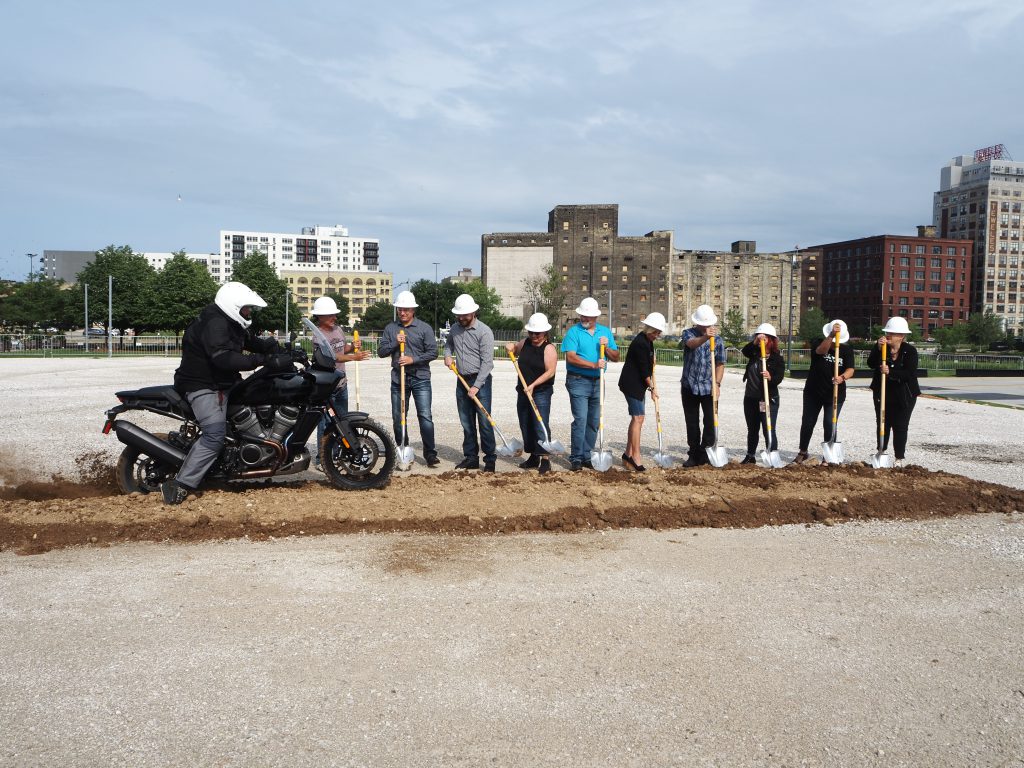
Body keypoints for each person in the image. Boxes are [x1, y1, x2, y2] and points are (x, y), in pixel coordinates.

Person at [162, 281, 287, 505]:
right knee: (214, 434)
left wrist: (274, 348)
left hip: (222, 382)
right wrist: (262, 360)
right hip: (203, 385)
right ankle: (181, 485)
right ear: (233, 305)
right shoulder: (215, 323)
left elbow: (250, 342)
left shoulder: (230, 322)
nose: (248, 312)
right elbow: (223, 357)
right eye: (246, 308)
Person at [378, 290, 439, 468]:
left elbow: (433, 352)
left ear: (413, 310)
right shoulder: (391, 329)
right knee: (398, 417)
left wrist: (413, 359)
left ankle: (430, 454)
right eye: (399, 309)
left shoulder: (424, 328)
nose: (402, 313)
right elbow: (382, 352)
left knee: (425, 416)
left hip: (420, 378)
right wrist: (395, 343)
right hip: (399, 379)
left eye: (406, 310)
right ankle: (402, 448)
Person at [561, 297, 620, 471]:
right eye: (583, 316)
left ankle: (587, 455)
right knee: (580, 419)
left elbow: (616, 357)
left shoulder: (605, 332)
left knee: (593, 421)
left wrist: (607, 347)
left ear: (596, 317)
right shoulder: (573, 332)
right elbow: (571, 357)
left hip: (598, 381)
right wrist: (593, 365)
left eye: (588, 317)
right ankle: (577, 457)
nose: (585, 319)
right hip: (578, 380)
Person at [310, 296, 369, 470]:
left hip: (341, 384)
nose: (334, 318)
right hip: (327, 387)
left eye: (334, 314)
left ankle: (337, 454)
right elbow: (331, 357)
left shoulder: (338, 330)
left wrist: (352, 346)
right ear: (320, 317)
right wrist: (353, 357)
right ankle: (322, 459)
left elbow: (342, 350)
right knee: (325, 424)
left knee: (342, 422)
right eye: (330, 315)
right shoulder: (318, 336)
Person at [445, 293, 497, 471]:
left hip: (480, 382)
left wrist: (476, 386)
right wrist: (447, 356)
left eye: (465, 315)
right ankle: (471, 457)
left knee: (484, 421)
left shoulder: (484, 332)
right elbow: (448, 345)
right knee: (466, 422)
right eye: (459, 315)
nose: (461, 318)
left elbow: (487, 363)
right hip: (461, 379)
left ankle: (490, 460)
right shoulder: (454, 328)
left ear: (474, 313)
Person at [794, 319, 855, 463]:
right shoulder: (819, 342)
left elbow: (851, 369)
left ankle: (828, 456)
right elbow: (820, 351)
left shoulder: (846, 350)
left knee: (829, 422)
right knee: (808, 422)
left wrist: (842, 377)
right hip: (813, 392)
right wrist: (831, 336)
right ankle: (803, 451)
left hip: (834, 394)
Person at [506, 313, 558, 475]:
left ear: (545, 333)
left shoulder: (549, 348)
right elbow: (514, 348)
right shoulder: (526, 343)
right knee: (526, 424)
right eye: (531, 333)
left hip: (541, 392)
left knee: (540, 423)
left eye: (538, 333)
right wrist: (510, 347)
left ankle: (545, 459)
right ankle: (534, 456)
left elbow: (550, 372)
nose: (534, 336)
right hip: (523, 391)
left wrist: (533, 385)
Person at [868, 317, 921, 468]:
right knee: (883, 423)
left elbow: (909, 373)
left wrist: (890, 371)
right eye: (887, 332)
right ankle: (881, 450)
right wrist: (877, 349)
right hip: (882, 393)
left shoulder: (909, 351)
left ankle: (899, 458)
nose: (888, 335)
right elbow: (871, 363)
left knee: (900, 425)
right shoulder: (881, 348)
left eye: (893, 333)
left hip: (904, 394)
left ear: (902, 336)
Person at [617, 312, 667, 471]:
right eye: (657, 332)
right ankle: (635, 456)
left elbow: (649, 367)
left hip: (639, 385)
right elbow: (644, 371)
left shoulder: (647, 341)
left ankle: (627, 453)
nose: (658, 336)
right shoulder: (640, 343)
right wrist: (652, 388)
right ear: (650, 329)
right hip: (631, 384)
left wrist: (653, 388)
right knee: (638, 418)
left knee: (638, 419)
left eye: (659, 333)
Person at [679, 304, 726, 467]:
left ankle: (706, 451)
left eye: (708, 325)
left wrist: (717, 384)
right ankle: (693, 453)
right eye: (703, 324)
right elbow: (691, 344)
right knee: (692, 422)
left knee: (710, 420)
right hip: (689, 385)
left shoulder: (718, 341)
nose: (706, 327)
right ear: (697, 323)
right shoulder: (688, 333)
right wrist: (706, 337)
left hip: (709, 387)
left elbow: (720, 364)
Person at [740, 323, 785, 464]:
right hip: (751, 398)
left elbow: (779, 377)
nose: (761, 341)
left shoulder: (776, 358)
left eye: (765, 339)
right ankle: (750, 455)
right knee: (752, 429)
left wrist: (771, 378)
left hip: (766, 398)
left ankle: (772, 453)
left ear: (771, 341)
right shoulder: (754, 353)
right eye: (759, 339)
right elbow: (745, 351)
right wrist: (755, 341)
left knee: (768, 428)